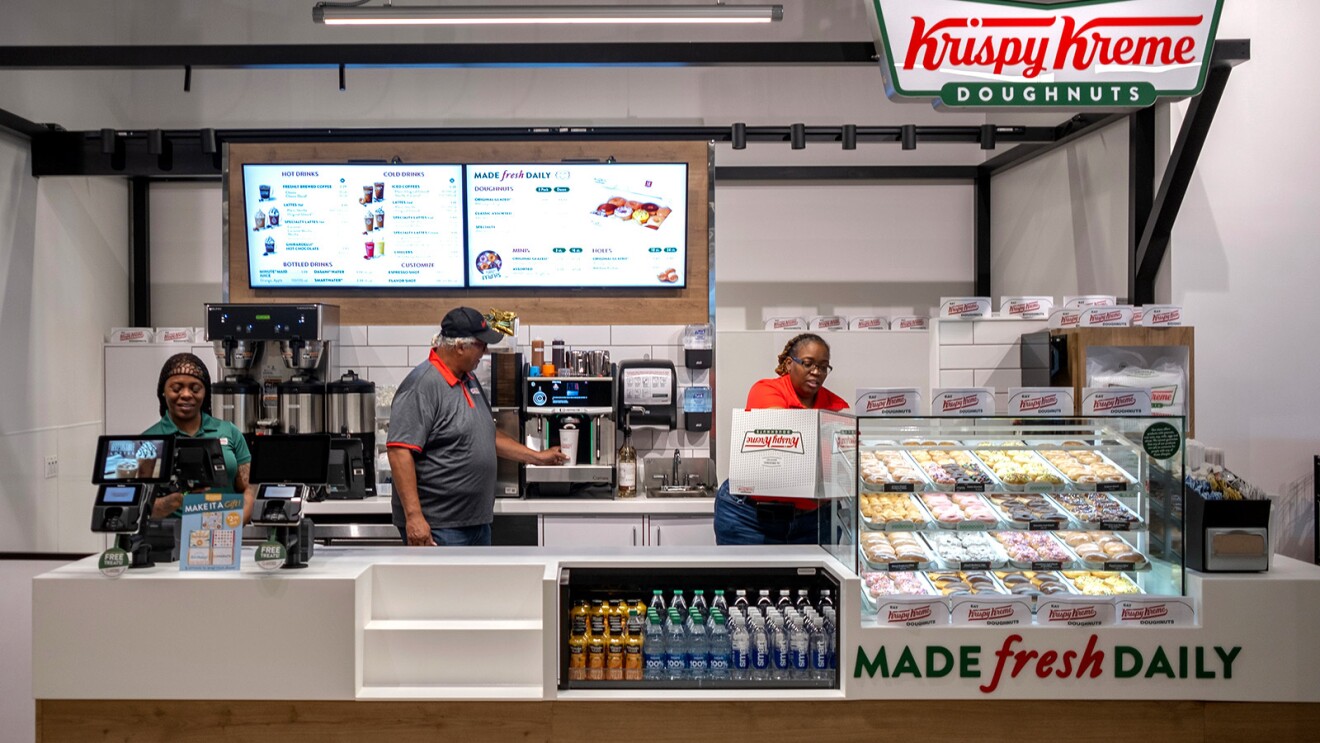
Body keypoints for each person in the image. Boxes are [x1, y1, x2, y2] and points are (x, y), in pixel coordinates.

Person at [388, 307, 567, 546]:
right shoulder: (421, 386)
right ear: (460, 347)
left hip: (475, 523)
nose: (485, 351)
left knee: (478, 585)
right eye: (480, 345)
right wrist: (414, 517)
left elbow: (486, 435)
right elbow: (399, 451)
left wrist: (536, 457)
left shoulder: (468, 379)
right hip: (439, 526)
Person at [714, 333, 849, 545]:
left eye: (823, 367)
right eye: (808, 364)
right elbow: (785, 431)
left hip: (814, 521)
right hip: (749, 518)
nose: (817, 372)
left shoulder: (836, 406)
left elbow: (841, 465)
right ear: (789, 363)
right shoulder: (766, 390)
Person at [142, 352, 254, 523]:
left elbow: (249, 487)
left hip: (224, 535)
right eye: (176, 388)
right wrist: (174, 501)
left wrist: (238, 521)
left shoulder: (228, 431)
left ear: (205, 393)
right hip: (170, 540)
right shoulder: (149, 441)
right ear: (163, 392)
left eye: (195, 389)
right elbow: (140, 506)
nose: (186, 395)